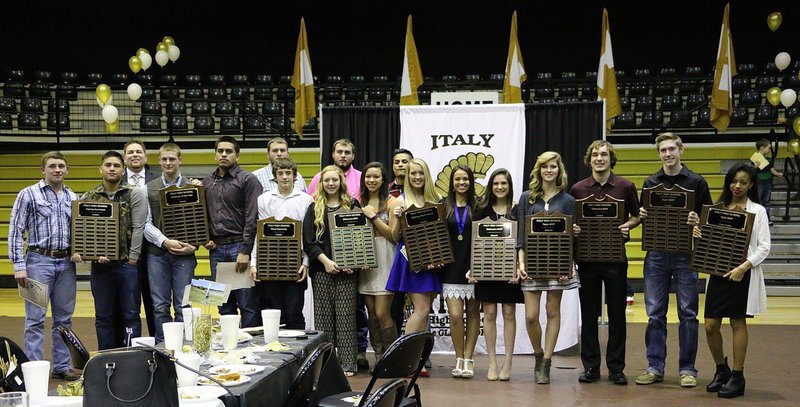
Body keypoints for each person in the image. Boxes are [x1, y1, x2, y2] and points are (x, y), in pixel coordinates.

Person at [635, 133, 713, 388]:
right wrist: (642, 213)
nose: (667, 154)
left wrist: (698, 222)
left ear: (681, 150)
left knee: (688, 314)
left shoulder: (696, 182)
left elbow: (709, 219)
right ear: (659, 154)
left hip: (686, 255)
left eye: (671, 149)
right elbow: (641, 215)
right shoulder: (649, 182)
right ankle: (655, 367)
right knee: (654, 314)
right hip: (656, 255)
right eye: (663, 150)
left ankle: (688, 369)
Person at [570, 140, 640, 385]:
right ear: (589, 160)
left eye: (604, 155)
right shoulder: (577, 189)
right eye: (595, 155)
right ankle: (591, 367)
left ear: (611, 159)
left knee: (617, 315)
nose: (599, 159)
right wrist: (573, 228)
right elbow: (570, 220)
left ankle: (616, 368)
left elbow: (636, 216)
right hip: (587, 260)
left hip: (615, 260)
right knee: (589, 316)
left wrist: (627, 225)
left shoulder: (626, 187)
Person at [8, 151, 81, 380]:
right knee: (35, 319)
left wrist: (79, 249)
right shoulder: (28, 194)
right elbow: (15, 231)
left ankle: (61, 366)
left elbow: (78, 231)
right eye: (52, 166)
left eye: (61, 166)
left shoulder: (73, 196)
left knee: (64, 319)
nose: (57, 169)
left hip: (66, 265)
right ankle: (34, 368)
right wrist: (19, 265)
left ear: (67, 169)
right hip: (38, 262)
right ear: (43, 170)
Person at [699, 163, 769, 399]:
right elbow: (707, 244)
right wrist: (699, 234)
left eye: (743, 182)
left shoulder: (758, 211)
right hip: (717, 272)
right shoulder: (716, 209)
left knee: (738, 323)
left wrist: (743, 267)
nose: (737, 186)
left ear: (751, 185)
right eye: (734, 181)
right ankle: (722, 369)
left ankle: (738, 376)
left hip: (743, 274)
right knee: (710, 325)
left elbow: (764, 247)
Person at [515, 152, 580, 384]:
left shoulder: (568, 201)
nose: (549, 170)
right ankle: (538, 354)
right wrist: (521, 263)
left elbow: (572, 239)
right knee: (531, 316)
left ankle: (547, 363)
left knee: (553, 311)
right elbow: (521, 235)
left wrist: (568, 263)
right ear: (539, 170)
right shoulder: (526, 198)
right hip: (531, 264)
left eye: (553, 166)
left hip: (558, 265)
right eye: (545, 167)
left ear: (559, 170)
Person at [73, 151, 148, 350]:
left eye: (116, 165)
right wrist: (85, 252)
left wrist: (133, 258)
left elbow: (139, 227)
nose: (112, 168)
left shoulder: (134, 193)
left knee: (130, 314)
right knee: (104, 315)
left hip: (126, 266)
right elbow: (83, 229)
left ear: (123, 170)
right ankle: (107, 356)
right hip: (100, 267)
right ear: (101, 169)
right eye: (108, 165)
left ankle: (131, 355)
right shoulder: (89, 196)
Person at [307, 138, 369, 368]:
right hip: (322, 270)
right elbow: (309, 242)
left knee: (346, 318)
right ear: (321, 182)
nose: (331, 183)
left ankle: (347, 363)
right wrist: (326, 262)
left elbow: (361, 238)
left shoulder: (353, 206)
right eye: (327, 180)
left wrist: (356, 260)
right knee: (324, 320)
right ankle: (326, 364)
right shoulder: (313, 207)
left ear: (341, 182)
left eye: (335, 179)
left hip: (348, 270)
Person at [386, 158, 443, 376]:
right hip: (412, 260)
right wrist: (399, 219)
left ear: (426, 175)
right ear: (407, 177)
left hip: (434, 261)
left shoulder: (435, 199)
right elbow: (394, 237)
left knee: (425, 311)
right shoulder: (400, 201)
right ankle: (404, 359)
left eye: (420, 173)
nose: (417, 177)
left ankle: (416, 359)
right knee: (421, 309)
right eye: (413, 174)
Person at [467, 168, 523, 381]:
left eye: (504, 184)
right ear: (491, 186)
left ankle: (507, 362)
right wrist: (473, 268)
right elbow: (474, 244)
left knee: (509, 314)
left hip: (510, 272)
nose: (500, 187)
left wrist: (518, 266)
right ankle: (492, 362)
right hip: (486, 271)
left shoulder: (517, 210)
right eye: (496, 183)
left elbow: (520, 243)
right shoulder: (481, 210)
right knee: (489, 314)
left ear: (509, 187)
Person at [143, 142, 199, 343]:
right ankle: (162, 347)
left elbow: (201, 220)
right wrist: (165, 242)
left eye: (172, 159)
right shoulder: (148, 189)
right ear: (159, 161)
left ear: (179, 160)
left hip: (185, 255)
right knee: (159, 305)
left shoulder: (194, 187)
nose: (168, 162)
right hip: (157, 255)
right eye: (164, 159)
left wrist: (195, 245)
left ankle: (185, 346)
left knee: (183, 305)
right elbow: (145, 224)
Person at [203, 136, 262, 327]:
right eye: (220, 151)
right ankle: (230, 350)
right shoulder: (207, 181)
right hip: (216, 250)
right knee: (223, 305)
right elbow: (203, 214)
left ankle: (252, 352)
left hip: (239, 248)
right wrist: (206, 238)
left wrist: (245, 250)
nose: (224, 154)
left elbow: (253, 218)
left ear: (237, 155)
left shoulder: (248, 180)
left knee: (247, 305)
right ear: (214, 155)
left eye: (228, 151)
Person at [250, 158, 313, 329]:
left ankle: (299, 354)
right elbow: (259, 233)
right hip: (270, 260)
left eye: (288, 173)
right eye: (280, 173)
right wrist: (254, 263)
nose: (284, 177)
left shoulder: (306, 200)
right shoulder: (263, 199)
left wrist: (306, 263)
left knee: (294, 312)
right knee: (274, 312)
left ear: (295, 177)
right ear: (275, 177)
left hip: (295, 261)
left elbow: (307, 236)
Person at [438, 165, 480, 379]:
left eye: (465, 179)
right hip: (451, 268)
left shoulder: (479, 205)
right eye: (457, 179)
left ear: (471, 181)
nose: (461, 182)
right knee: (455, 315)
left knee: (473, 313)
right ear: (452, 182)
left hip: (474, 266)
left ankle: (469, 359)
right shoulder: (443, 206)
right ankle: (458, 357)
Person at [358, 162, 398, 365]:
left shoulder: (392, 202)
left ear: (383, 180)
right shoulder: (357, 202)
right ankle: (379, 356)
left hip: (386, 258)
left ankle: (392, 357)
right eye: (368, 177)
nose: (371, 180)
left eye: (376, 177)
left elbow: (393, 235)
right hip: (365, 261)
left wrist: (373, 216)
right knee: (371, 314)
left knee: (383, 312)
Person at [122, 139, 159, 338]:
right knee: (129, 305)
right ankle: (129, 345)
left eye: (138, 152)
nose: (135, 155)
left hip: (154, 251)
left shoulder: (159, 179)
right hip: (125, 254)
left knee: (155, 303)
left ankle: (159, 345)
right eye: (130, 152)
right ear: (124, 157)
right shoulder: (115, 181)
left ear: (146, 157)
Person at [388, 149, 414, 338]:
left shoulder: (423, 192)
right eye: (397, 162)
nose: (400, 165)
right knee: (395, 306)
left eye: (405, 161)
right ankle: (398, 347)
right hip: (394, 256)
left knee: (419, 306)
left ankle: (421, 351)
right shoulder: (387, 192)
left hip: (419, 255)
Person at [751, 139, 783, 225]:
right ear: (762, 148)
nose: (769, 150)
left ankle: (766, 219)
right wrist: (755, 167)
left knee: (767, 202)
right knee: (759, 201)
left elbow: (771, 169)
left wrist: (777, 174)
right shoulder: (755, 157)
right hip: (759, 182)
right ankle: (757, 219)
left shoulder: (768, 159)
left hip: (768, 182)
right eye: (768, 148)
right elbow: (753, 170)